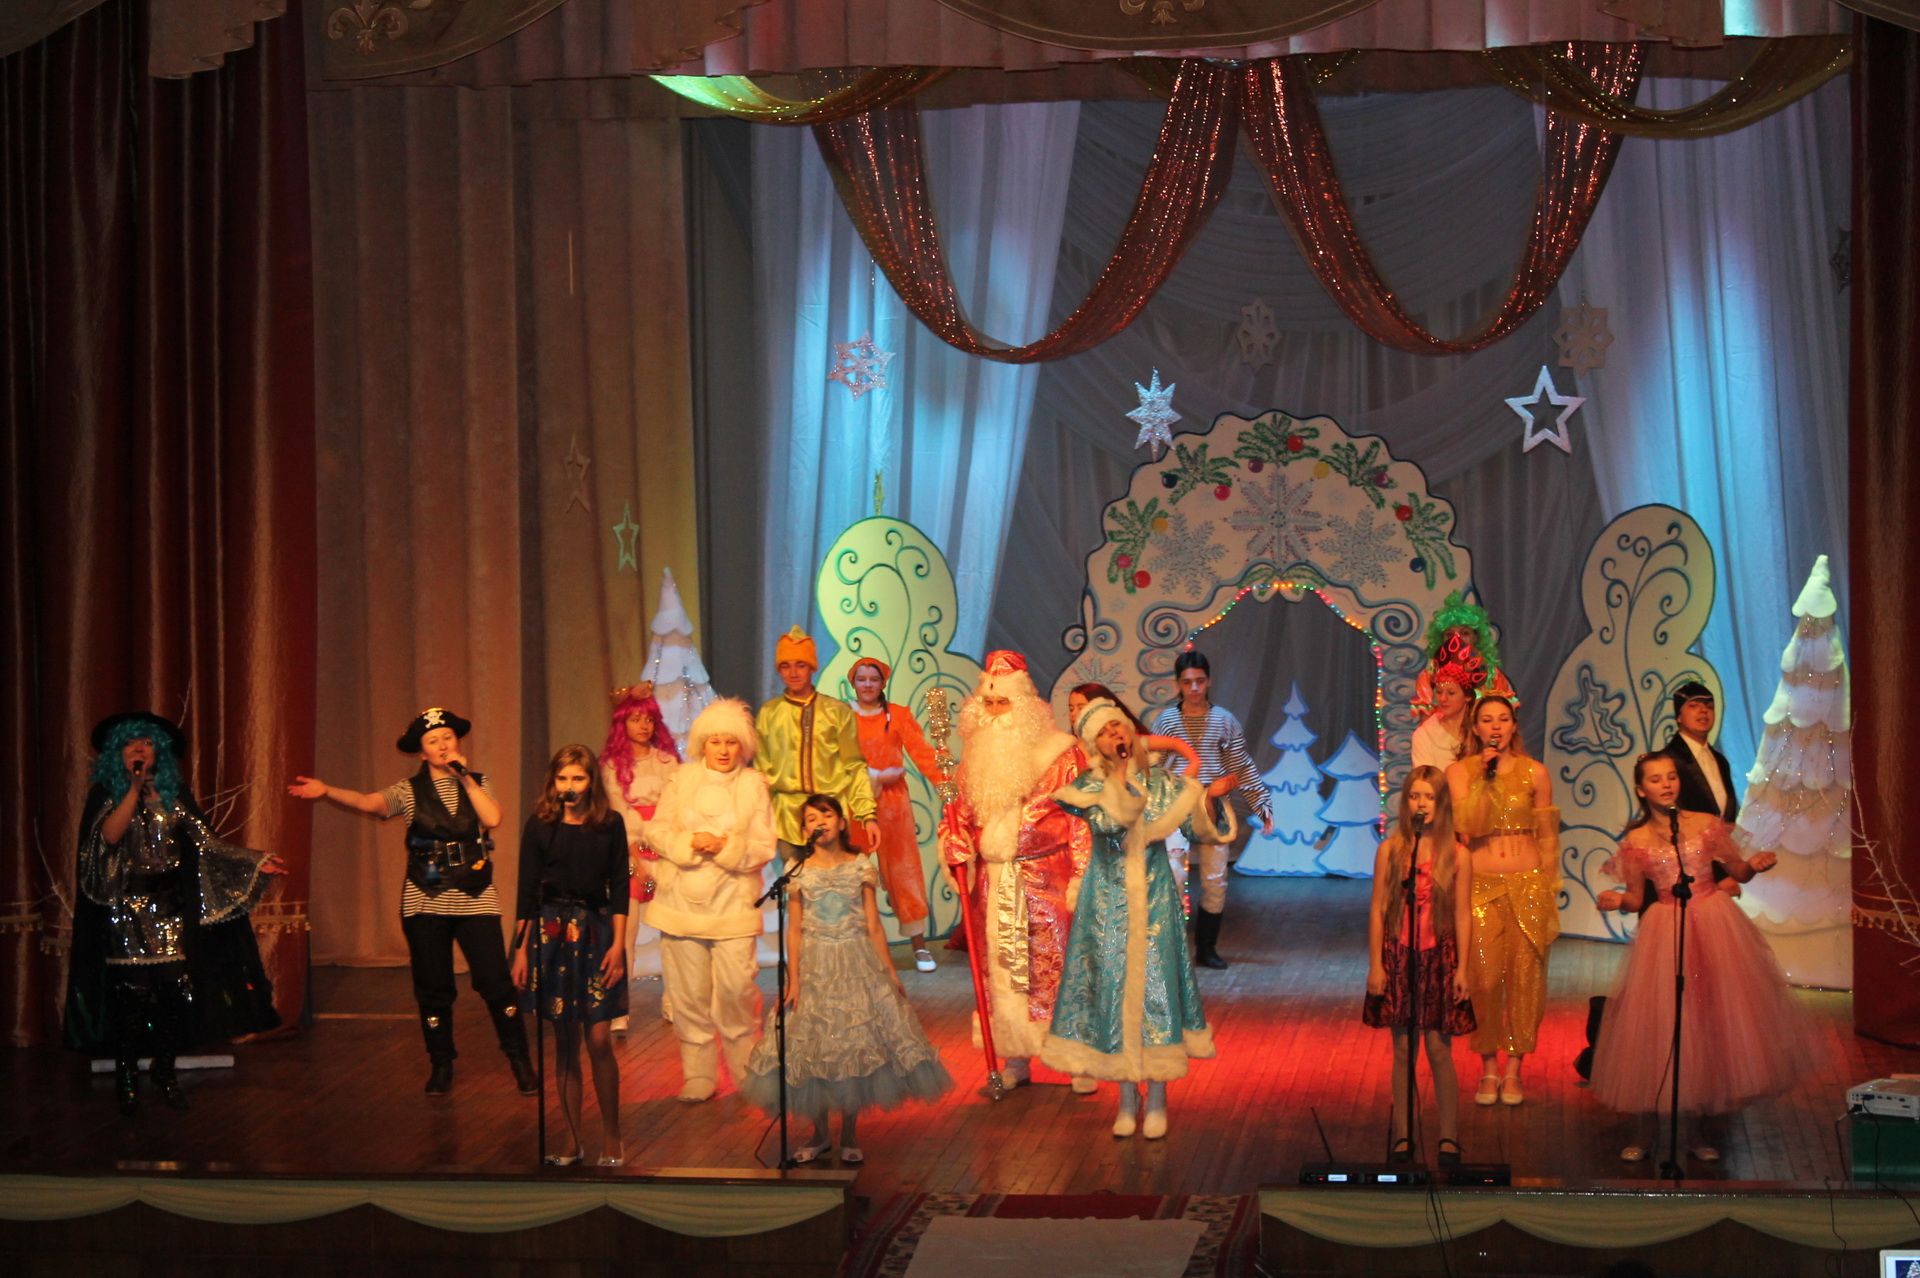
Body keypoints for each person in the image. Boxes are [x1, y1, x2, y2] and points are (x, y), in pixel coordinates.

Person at [289, 707, 535, 1098]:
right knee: (433, 986)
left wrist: (465, 778)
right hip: (425, 896)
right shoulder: (409, 790)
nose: (443, 745)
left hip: (475, 895)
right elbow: (370, 802)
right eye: (433, 741)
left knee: (495, 982)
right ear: (422, 752)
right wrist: (328, 791)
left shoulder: (477, 781)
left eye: (448, 737)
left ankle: (520, 1060)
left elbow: (493, 819)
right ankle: (441, 1064)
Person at [1589, 754, 1808, 1162]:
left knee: (1705, 1023)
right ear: (1641, 790)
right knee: (1660, 1025)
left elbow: (1738, 870)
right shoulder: (1637, 840)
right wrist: (1618, 900)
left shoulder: (1706, 823)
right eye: (1656, 779)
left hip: (1712, 922)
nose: (1666, 784)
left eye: (1671, 776)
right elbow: (1636, 897)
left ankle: (1694, 1132)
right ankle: (1647, 1132)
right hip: (1666, 927)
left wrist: (1753, 866)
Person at [71, 712, 283, 1115]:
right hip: (127, 912)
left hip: (169, 910)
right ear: (118, 752)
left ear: (159, 753)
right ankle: (127, 1075)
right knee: (132, 999)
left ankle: (164, 1071)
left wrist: (255, 861)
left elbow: (206, 844)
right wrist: (133, 790)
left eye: (147, 743)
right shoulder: (106, 794)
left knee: (172, 994)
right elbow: (110, 837)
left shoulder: (173, 795)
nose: (139, 748)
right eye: (131, 742)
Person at [1043, 701, 1235, 1139]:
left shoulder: (1162, 783)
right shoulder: (1089, 786)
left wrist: (1210, 799)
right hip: (1106, 899)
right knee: (1113, 990)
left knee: (1157, 987)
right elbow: (1110, 826)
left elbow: (1198, 829)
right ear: (1095, 743)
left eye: (1120, 727)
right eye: (1106, 731)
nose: (1117, 734)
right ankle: (1127, 1098)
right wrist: (1117, 778)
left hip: (1154, 898)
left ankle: (1159, 1096)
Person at [740, 795, 952, 1164]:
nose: (819, 822)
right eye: (811, 818)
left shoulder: (859, 865)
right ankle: (820, 1134)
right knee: (815, 1046)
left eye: (826, 815)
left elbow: (872, 924)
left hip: (855, 960)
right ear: (803, 829)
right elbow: (795, 929)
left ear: (841, 822)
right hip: (816, 963)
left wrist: (889, 971)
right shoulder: (797, 869)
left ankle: (850, 1134)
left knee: (855, 1045)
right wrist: (794, 980)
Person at [935, 650, 1090, 1088]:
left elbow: (1082, 820)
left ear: (1023, 705)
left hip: (1049, 879)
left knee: (1054, 969)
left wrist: (1082, 876)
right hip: (994, 882)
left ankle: (1076, 1058)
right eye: (988, 703)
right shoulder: (974, 762)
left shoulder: (1062, 756)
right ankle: (1015, 1058)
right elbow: (959, 819)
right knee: (1003, 972)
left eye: (1002, 703)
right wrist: (954, 844)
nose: (995, 712)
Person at [647, 697, 777, 1101]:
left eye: (731, 742)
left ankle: (745, 1070)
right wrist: (689, 842)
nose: (723, 750)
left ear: (743, 746)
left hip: (733, 906)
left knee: (737, 990)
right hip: (680, 906)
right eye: (715, 741)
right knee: (688, 994)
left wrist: (723, 845)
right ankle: (699, 1074)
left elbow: (764, 845)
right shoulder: (682, 780)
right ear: (702, 743)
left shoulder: (753, 786)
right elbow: (657, 831)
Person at [512, 745, 629, 1166]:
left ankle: (612, 1135)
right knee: (565, 1041)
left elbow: (619, 887)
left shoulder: (609, 824)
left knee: (598, 1037)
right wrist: (520, 951)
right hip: (552, 934)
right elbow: (527, 891)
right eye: (563, 778)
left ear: (590, 781)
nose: (570, 786)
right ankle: (571, 1139)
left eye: (577, 778)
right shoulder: (541, 825)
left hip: (596, 932)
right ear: (553, 783)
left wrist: (618, 945)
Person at [1446, 694, 1559, 1107]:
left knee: (1526, 980)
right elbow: (1467, 825)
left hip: (1528, 884)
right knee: (1485, 978)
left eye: (1503, 719)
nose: (1496, 727)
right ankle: (1488, 1066)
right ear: (1475, 729)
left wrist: (1548, 887)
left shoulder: (1535, 772)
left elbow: (1548, 838)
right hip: (1481, 885)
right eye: (1487, 720)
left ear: (1513, 725)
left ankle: (1514, 1068)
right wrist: (1484, 777)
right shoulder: (1459, 772)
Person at [1364, 767, 1475, 1165]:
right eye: (1415, 796)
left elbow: (1463, 914)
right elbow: (1378, 909)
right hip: (1400, 952)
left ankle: (1449, 1136)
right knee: (1403, 1047)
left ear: (1441, 804)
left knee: (1439, 1049)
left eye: (1429, 797)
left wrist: (1462, 969)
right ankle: (1403, 1133)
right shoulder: (1391, 851)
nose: (1421, 804)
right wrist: (1376, 965)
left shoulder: (1457, 855)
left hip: (1439, 955)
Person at [1148, 650, 1273, 969]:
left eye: (1200, 681)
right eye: (1187, 682)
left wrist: (1262, 805)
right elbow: (1154, 767)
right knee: (1174, 874)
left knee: (1215, 878)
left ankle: (1207, 948)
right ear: (1178, 684)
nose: (1194, 688)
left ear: (1209, 681)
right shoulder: (1166, 721)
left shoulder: (1224, 720)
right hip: (1177, 805)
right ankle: (1173, 949)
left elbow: (1241, 766)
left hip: (1213, 803)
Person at [847, 657, 946, 973]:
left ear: (882, 683)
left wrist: (948, 789)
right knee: (853, 874)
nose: (867, 685)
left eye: (873, 679)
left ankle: (919, 946)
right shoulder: (843, 716)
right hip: (855, 803)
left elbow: (923, 754)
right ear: (853, 682)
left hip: (893, 805)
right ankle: (856, 947)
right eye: (861, 679)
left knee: (904, 873)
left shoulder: (898, 715)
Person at [755, 626, 879, 865]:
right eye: (785, 666)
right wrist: (760, 819)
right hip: (787, 820)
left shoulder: (836, 712)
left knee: (835, 882)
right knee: (794, 883)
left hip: (830, 816)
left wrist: (867, 815)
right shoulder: (769, 714)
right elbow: (762, 773)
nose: (793, 673)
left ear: (812, 667)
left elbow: (854, 766)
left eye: (800, 665)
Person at [601, 682, 681, 1031]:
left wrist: (660, 846)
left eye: (648, 719)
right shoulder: (611, 765)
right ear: (623, 723)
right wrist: (635, 853)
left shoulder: (668, 762)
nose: (643, 726)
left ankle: (674, 1001)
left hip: (663, 849)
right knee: (624, 931)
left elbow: (675, 807)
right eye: (635, 719)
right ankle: (618, 1007)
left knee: (671, 931)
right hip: (628, 852)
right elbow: (619, 811)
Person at [1410, 595, 1518, 773]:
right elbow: (1426, 729)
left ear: (1476, 637)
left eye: (1465, 633)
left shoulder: (1492, 675)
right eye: (1449, 634)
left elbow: (1504, 725)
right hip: (1442, 749)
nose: (1457, 639)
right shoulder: (1429, 675)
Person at [1654, 682, 1740, 823]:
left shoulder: (1721, 761)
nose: (1704, 710)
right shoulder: (1667, 760)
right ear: (1678, 716)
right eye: (1694, 706)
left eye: (1709, 706)